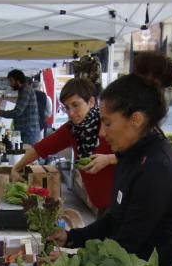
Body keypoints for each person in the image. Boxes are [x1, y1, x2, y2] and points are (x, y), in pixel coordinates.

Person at [50, 52, 172, 266]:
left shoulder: (157, 166)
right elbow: (114, 218)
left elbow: (126, 242)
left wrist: (75, 261)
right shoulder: (130, 155)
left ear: (136, 119)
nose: (103, 134)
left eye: (107, 123)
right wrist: (72, 237)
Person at [13, 78, 117, 210]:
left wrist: (109, 159)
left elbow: (139, 152)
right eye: (67, 107)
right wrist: (17, 167)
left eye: (75, 105)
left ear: (91, 102)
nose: (71, 113)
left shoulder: (107, 124)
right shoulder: (72, 129)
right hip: (102, 207)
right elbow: (41, 148)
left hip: (123, 204)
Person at [0, 69, 42, 145]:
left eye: (11, 81)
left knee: (27, 155)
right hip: (28, 132)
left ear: (18, 81)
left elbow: (17, 112)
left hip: (28, 133)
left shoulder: (26, 91)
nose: (10, 84)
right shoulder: (23, 90)